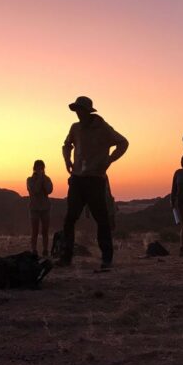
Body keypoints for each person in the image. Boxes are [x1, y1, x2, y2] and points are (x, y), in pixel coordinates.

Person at [59, 95, 129, 269]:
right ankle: (66, 257)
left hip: (95, 179)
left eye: (80, 110)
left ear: (87, 111)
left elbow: (123, 142)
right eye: (76, 110)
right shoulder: (75, 128)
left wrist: (109, 160)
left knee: (102, 219)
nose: (77, 113)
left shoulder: (103, 128)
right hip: (77, 179)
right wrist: (67, 159)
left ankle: (107, 258)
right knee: (70, 218)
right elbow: (67, 144)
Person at [26, 160, 53, 256]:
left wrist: (43, 179)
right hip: (34, 209)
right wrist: (40, 179)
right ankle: (34, 250)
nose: (40, 170)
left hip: (45, 208)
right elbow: (35, 190)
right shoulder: (29, 180)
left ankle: (45, 250)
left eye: (41, 168)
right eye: (38, 168)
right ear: (34, 168)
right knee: (35, 231)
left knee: (45, 231)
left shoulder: (47, 179)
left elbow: (49, 190)